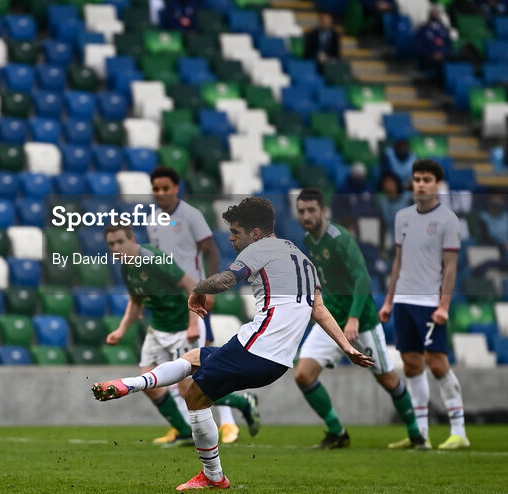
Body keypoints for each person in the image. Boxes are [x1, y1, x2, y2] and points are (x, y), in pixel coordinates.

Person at [93, 197, 373, 491]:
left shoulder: (260, 248)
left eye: (235, 232)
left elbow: (227, 279)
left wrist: (197, 288)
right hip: (276, 361)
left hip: (256, 347)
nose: (230, 237)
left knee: (195, 397)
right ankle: (131, 384)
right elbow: (319, 309)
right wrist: (347, 347)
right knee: (194, 357)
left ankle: (213, 476)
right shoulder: (301, 258)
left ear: (254, 233)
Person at [104, 224, 260, 449]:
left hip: (181, 327)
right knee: (147, 383)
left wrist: (194, 323)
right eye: (111, 244)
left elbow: (192, 286)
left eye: (120, 242)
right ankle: (185, 431)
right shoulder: (127, 267)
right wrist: (121, 330)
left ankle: (242, 401)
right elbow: (136, 301)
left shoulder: (153, 258)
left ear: (132, 238)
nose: (116, 248)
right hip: (158, 329)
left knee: (190, 389)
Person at [295, 188, 427, 449]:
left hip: (361, 320)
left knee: (387, 379)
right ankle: (337, 432)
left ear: (323, 211)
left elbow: (362, 279)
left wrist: (354, 318)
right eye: (301, 211)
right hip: (331, 320)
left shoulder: (341, 238)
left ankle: (417, 435)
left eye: (311, 210)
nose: (306, 215)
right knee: (303, 374)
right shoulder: (309, 240)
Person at [378, 159, 470, 451]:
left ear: (438, 184)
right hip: (404, 300)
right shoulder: (402, 217)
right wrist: (390, 300)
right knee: (412, 364)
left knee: (437, 362)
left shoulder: (448, 220)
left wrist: (444, 306)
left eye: (426, 179)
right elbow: (398, 261)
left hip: (430, 302)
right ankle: (421, 433)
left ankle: (459, 431)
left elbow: (451, 267)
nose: (420, 184)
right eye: (417, 179)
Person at [148, 166, 244, 444]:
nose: (161, 193)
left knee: (199, 365)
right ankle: (184, 426)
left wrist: (211, 286)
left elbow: (211, 251)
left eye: (166, 188)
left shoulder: (191, 215)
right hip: (170, 302)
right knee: (177, 365)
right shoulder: (152, 220)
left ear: (176, 188)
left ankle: (228, 424)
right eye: (156, 188)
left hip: (194, 297)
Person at [377, 172, 412, 247]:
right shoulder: (383, 203)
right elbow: (382, 226)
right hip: (395, 245)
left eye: (391, 183)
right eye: (386, 184)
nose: (388, 186)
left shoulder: (408, 199)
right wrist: (381, 246)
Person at [415, 8, 452, 74]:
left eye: (435, 13)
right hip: (428, 58)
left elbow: (449, 45)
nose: (434, 15)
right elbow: (419, 47)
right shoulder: (423, 30)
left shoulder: (444, 30)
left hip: (443, 57)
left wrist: (442, 53)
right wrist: (431, 54)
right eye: (432, 13)